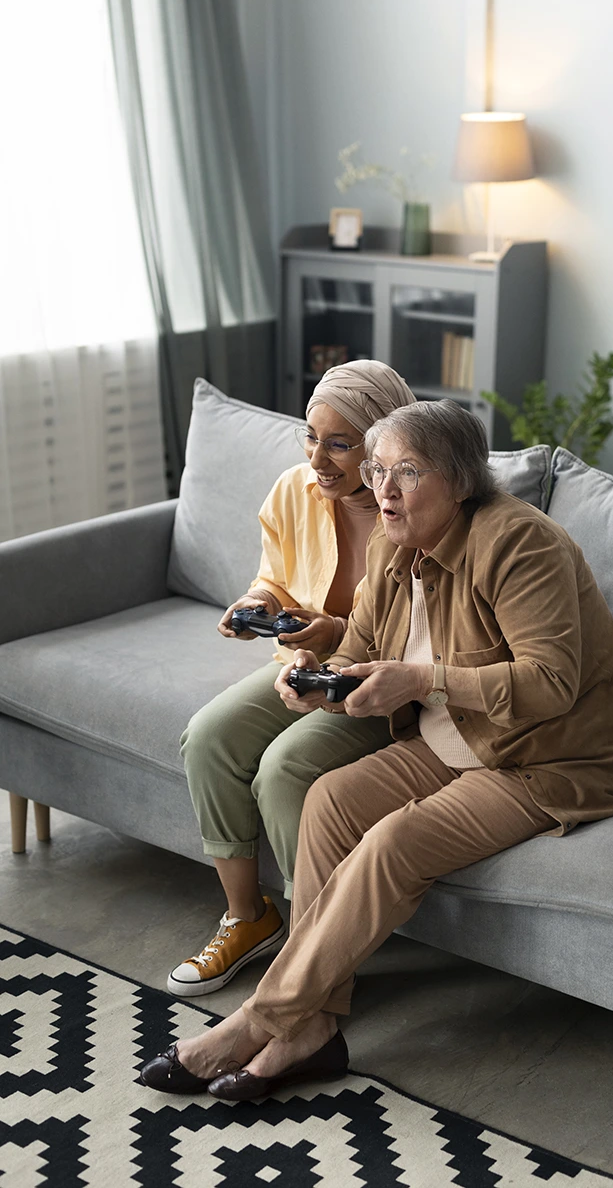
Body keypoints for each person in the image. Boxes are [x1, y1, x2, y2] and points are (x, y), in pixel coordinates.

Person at [141, 399, 613, 1097]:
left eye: (407, 473)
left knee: (394, 842)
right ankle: (314, 1028)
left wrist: (419, 679)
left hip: (549, 755)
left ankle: (256, 1021)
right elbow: (360, 647)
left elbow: (550, 684)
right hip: (456, 739)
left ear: (458, 480)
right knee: (327, 798)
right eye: (378, 469)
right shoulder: (394, 543)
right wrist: (317, 685)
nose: (382, 489)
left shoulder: (520, 543)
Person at [167, 360, 416, 998]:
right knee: (209, 737)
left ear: (384, 447)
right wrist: (260, 605)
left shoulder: (413, 514)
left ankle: (313, 951)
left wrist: (332, 636)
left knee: (284, 767)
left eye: (340, 443)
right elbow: (276, 576)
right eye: (311, 436)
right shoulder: (294, 490)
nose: (319, 458)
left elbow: (415, 639)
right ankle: (248, 918)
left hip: (377, 684)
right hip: (304, 665)